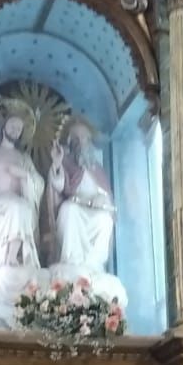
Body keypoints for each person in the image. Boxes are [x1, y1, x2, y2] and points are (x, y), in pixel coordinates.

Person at [0, 99, 45, 271]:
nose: (15, 130)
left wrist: (24, 174)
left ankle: (12, 257)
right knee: (17, 207)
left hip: (17, 202)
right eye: (13, 125)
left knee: (20, 207)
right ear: (4, 126)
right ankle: (5, 259)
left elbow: (39, 182)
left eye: (19, 128)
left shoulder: (24, 158)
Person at [47, 116, 116, 274]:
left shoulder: (97, 168)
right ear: (70, 143)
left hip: (95, 209)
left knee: (105, 219)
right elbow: (58, 185)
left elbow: (106, 194)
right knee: (69, 210)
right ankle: (72, 260)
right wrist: (56, 164)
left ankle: (94, 264)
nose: (81, 142)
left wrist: (102, 198)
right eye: (76, 139)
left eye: (84, 137)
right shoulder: (66, 163)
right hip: (76, 206)